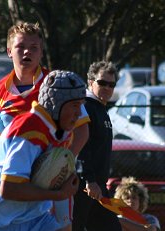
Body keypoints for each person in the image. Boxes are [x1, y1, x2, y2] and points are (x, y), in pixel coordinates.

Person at [0, 21, 90, 230]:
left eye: (34, 48)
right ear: (8, 51)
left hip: (52, 180)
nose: (27, 52)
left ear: (41, 53)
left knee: (62, 228)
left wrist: (61, 165)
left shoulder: (56, 86)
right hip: (13, 179)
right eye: (21, 46)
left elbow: (82, 129)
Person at [0, 70, 85, 231]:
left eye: (81, 105)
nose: (79, 113)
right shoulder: (29, 130)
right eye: (75, 105)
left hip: (34, 218)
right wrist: (58, 194)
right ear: (56, 104)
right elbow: (8, 189)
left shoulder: (61, 132)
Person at [72, 60, 122, 231]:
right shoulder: (85, 106)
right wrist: (89, 179)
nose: (107, 88)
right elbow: (82, 146)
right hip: (84, 186)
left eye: (111, 84)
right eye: (102, 83)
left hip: (98, 187)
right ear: (91, 82)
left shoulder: (101, 109)